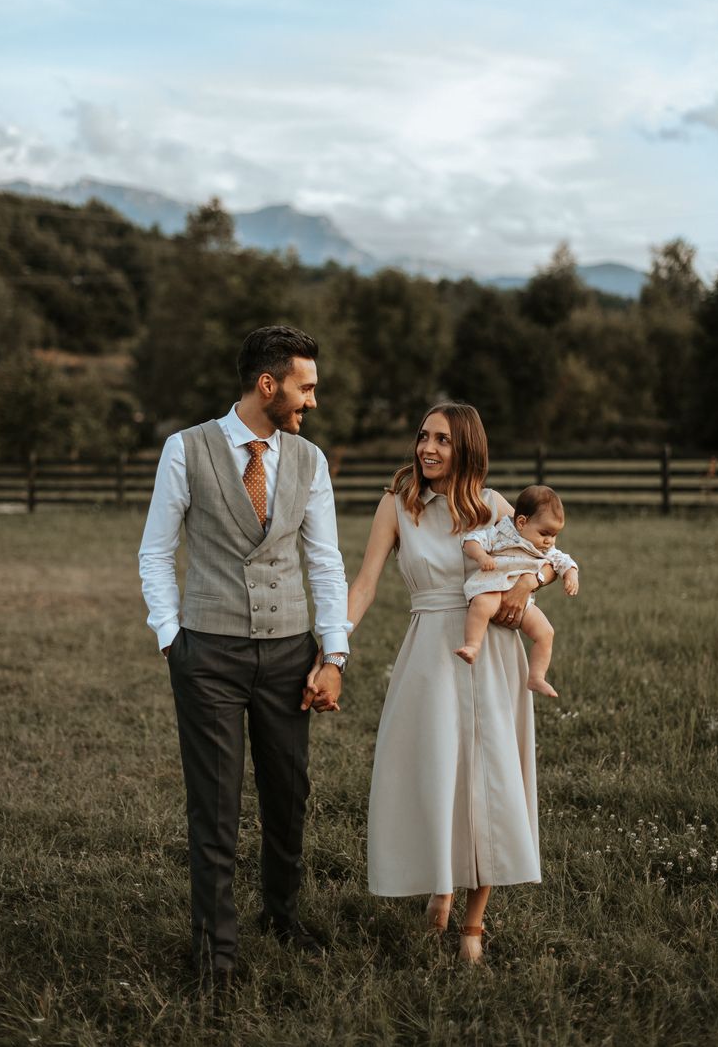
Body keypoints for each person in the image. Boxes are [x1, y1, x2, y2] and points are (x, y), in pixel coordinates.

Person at [138, 325, 350, 989]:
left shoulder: (309, 463)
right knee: (217, 806)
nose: (311, 401)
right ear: (269, 384)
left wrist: (334, 652)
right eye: (305, 387)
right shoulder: (186, 449)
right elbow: (154, 551)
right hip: (209, 655)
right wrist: (173, 638)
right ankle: (215, 953)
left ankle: (283, 916)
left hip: (291, 653)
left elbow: (324, 562)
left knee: (289, 797)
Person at [346, 402, 554, 964]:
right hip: (428, 652)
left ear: (465, 447)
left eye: (441, 439)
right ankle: (439, 879)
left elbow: (547, 555)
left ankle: (473, 927)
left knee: (488, 777)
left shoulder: (495, 507)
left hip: (491, 654)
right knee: (436, 770)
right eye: (422, 437)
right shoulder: (398, 504)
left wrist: (526, 586)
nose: (427, 448)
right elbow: (364, 583)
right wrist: (334, 647)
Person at [455, 484, 579, 698]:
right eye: (545, 533)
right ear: (521, 522)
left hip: (524, 601)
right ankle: (473, 645)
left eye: (555, 535)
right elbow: (472, 540)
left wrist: (571, 576)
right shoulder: (501, 533)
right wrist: (482, 557)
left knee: (546, 632)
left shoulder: (545, 548)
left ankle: (537, 677)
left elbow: (563, 561)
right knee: (482, 605)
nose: (550, 541)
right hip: (492, 586)